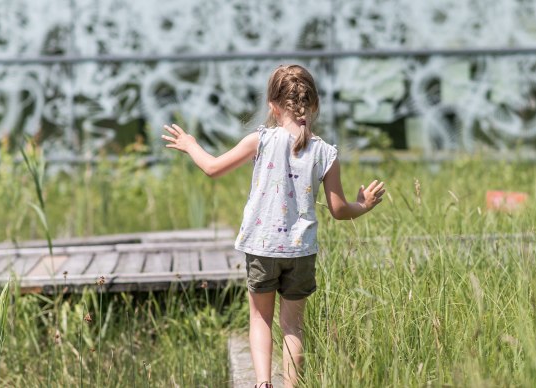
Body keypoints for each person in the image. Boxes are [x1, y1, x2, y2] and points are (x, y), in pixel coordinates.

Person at [162, 64, 385, 388]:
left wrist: (190, 144)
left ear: (272, 105)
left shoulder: (261, 140)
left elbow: (212, 168)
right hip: (300, 251)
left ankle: (263, 384)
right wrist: (364, 204)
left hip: (262, 246)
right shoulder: (326, 153)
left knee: (260, 318)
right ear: (314, 104)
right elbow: (338, 210)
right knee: (293, 326)